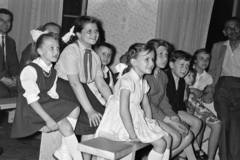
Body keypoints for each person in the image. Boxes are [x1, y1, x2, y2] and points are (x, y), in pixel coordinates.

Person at [11, 31, 82, 160]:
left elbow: (52, 94)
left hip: (45, 102)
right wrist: (48, 119)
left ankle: (64, 152)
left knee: (72, 112)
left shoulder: (53, 72)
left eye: (58, 48)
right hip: (30, 107)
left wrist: (61, 110)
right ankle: (70, 155)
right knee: (69, 119)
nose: (56, 51)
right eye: (51, 48)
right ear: (39, 50)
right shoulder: (30, 69)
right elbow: (31, 99)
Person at [95, 43, 171, 160]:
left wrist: (148, 124)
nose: (152, 63)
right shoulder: (127, 80)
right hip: (121, 121)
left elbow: (146, 106)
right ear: (134, 62)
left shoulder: (142, 82)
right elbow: (124, 110)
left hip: (135, 118)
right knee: (156, 144)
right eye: (147, 59)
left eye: (153, 59)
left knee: (163, 142)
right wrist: (133, 135)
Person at [55, 16, 112, 160]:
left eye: (96, 31)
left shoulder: (95, 56)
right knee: (90, 117)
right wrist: (90, 110)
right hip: (64, 86)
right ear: (78, 34)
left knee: (101, 118)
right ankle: (65, 152)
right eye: (89, 32)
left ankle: (86, 158)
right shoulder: (71, 51)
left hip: (82, 88)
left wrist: (113, 102)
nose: (94, 35)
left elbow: (101, 84)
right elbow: (74, 83)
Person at [145, 39, 199, 160]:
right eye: (160, 54)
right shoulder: (146, 76)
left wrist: (173, 116)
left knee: (188, 134)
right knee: (176, 136)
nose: (165, 58)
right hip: (147, 115)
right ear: (151, 54)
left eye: (166, 54)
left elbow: (164, 101)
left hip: (159, 114)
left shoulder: (162, 76)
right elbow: (147, 104)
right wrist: (169, 120)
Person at [203, 17, 240, 160]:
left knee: (237, 125)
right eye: (229, 28)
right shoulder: (218, 46)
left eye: (236, 27)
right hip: (223, 86)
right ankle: (223, 157)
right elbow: (212, 71)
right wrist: (209, 88)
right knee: (223, 121)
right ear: (224, 32)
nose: (233, 30)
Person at [165, 50, 208, 160]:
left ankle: (182, 153)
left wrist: (186, 116)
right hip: (165, 111)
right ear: (171, 64)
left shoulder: (182, 81)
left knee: (198, 123)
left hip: (176, 109)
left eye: (187, 66)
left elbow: (180, 104)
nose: (185, 69)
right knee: (185, 130)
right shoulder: (164, 77)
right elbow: (163, 102)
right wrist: (179, 119)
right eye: (181, 65)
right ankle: (188, 156)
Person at [185, 49, 221, 160]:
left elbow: (203, 95)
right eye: (201, 58)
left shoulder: (208, 77)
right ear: (194, 60)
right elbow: (183, 89)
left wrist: (198, 92)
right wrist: (193, 90)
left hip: (198, 105)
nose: (205, 61)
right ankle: (195, 154)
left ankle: (209, 158)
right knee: (200, 123)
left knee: (217, 125)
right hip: (186, 103)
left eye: (207, 59)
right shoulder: (187, 71)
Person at [0, 8, 19, 98]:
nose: (5, 24)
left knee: (25, 91)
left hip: (8, 78)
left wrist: (15, 78)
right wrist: (2, 78)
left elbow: (13, 64)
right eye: (2, 20)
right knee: (3, 93)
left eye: (8, 21)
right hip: (1, 78)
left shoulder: (11, 42)